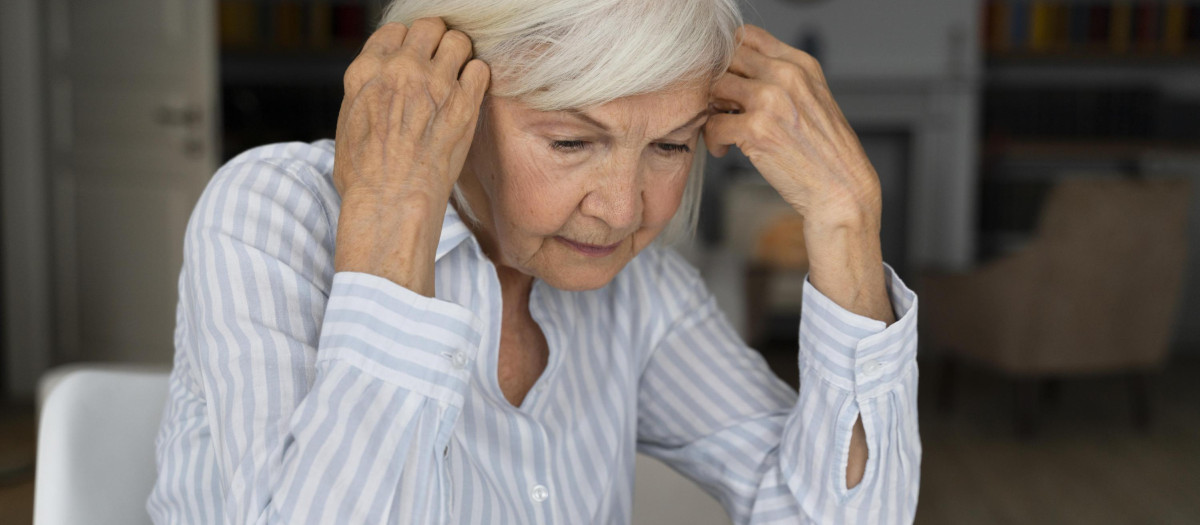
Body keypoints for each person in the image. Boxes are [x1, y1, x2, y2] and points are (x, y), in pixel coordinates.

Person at [147, 0, 921, 523]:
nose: (623, 210)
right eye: (571, 141)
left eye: (669, 146)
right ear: (451, 97)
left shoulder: (641, 291)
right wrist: (395, 210)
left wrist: (846, 213)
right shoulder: (274, 213)